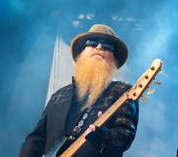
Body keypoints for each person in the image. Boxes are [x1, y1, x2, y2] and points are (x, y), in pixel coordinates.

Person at [19, 24, 139, 157]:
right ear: (80, 54)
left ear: (114, 59)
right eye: (92, 43)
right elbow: (36, 139)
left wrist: (103, 135)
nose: (99, 47)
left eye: (106, 46)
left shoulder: (122, 92)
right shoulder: (59, 95)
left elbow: (125, 136)